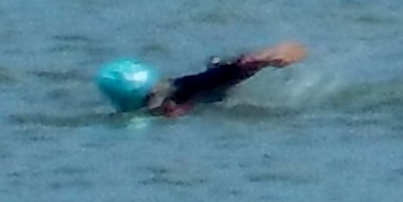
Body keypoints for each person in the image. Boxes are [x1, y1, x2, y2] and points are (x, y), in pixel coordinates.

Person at [96, 43, 307, 116]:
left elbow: (236, 69)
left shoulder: (185, 89)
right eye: (150, 102)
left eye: (156, 98)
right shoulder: (145, 114)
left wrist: (268, 58)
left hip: (214, 84)